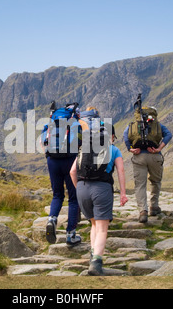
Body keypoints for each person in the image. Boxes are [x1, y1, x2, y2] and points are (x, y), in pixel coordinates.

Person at [70, 122, 128, 276]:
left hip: (82, 187)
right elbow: (121, 171)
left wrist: (79, 189)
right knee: (102, 228)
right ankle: (96, 263)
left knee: (94, 225)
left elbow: (72, 171)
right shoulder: (114, 149)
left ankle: (92, 254)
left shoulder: (85, 149)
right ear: (112, 136)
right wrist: (123, 193)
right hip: (101, 188)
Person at [41, 103, 82, 246]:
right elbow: (80, 143)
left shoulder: (52, 122)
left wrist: (49, 156)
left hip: (52, 160)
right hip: (70, 160)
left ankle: (52, 219)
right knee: (73, 198)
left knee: (57, 194)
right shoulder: (75, 123)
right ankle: (71, 234)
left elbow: (43, 141)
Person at [124, 107, 172, 223]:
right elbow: (168, 135)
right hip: (155, 156)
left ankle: (143, 211)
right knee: (155, 181)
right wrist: (159, 148)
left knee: (140, 185)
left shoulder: (133, 125)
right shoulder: (157, 125)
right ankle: (154, 206)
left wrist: (131, 149)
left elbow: (126, 137)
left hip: (139, 157)